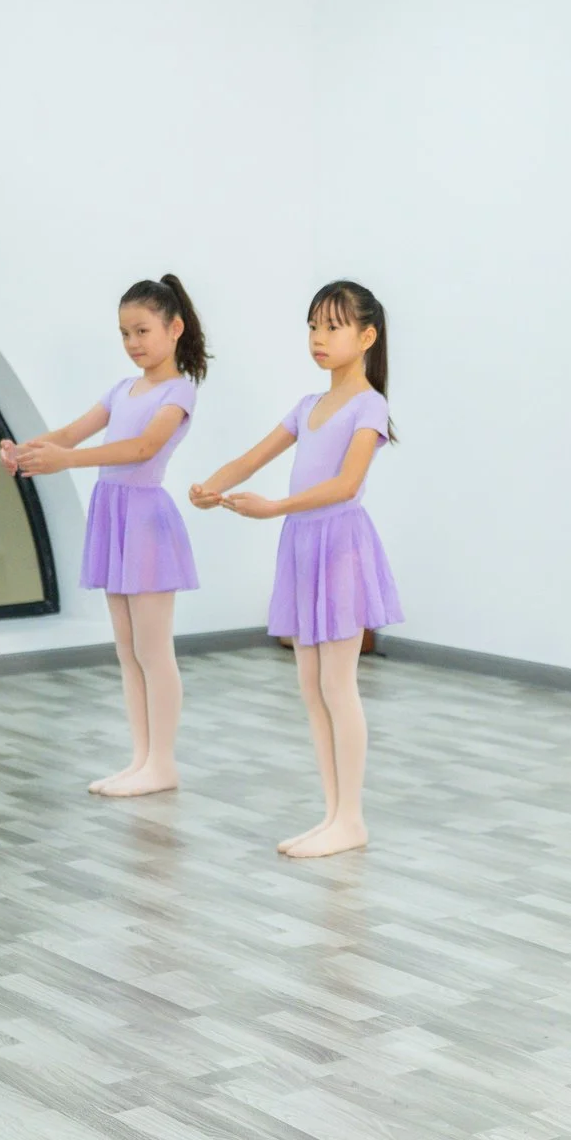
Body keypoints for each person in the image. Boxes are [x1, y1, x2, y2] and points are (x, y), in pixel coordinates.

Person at [190, 281, 401, 857]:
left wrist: (274, 507)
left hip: (339, 546)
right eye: (313, 326)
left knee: (338, 683)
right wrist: (213, 487)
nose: (319, 338)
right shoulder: (308, 406)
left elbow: (346, 483)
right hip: (302, 545)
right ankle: (333, 814)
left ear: (367, 336)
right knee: (311, 687)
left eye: (332, 327)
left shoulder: (370, 405)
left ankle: (351, 817)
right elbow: (254, 457)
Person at [2, 276, 208, 796]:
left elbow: (142, 448)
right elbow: (69, 434)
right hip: (114, 516)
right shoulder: (122, 389)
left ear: (175, 328)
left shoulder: (178, 391)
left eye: (142, 330)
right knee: (127, 648)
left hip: (145, 520)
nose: (133, 342)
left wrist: (66, 461)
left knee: (154, 649)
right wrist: (25, 452)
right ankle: (141, 760)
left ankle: (163, 762)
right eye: (124, 333)